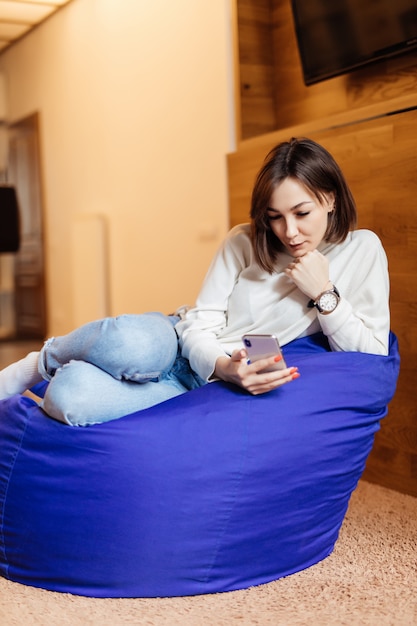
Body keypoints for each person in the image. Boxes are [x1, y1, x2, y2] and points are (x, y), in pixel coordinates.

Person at [0, 138, 390, 426]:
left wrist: (325, 294)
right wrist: (221, 363)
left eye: (302, 213)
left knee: (71, 400)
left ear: (331, 198)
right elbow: (199, 322)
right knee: (127, 342)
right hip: (179, 343)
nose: (289, 232)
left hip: (204, 388)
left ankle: (76, 371)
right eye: (275, 217)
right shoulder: (243, 240)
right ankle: (40, 363)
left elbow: (372, 357)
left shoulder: (362, 250)